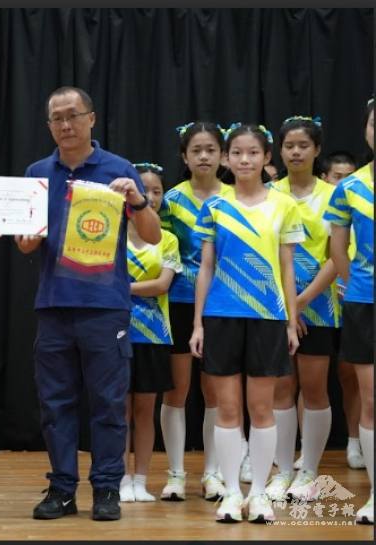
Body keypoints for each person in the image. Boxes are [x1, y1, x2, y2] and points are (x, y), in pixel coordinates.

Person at [16, 86, 160, 522]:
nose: (65, 124)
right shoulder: (38, 172)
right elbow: (26, 245)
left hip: (105, 305)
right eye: (56, 118)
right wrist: (26, 238)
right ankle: (61, 489)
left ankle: (107, 489)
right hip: (54, 304)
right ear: (48, 126)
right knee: (56, 403)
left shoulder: (118, 169)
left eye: (73, 115)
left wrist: (136, 200)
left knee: (108, 402)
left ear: (91, 119)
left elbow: (151, 235)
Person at [190, 123, 304, 523]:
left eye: (253, 153)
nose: (244, 160)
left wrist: (291, 321)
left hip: (267, 317)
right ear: (225, 158)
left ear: (266, 158)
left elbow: (288, 267)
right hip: (221, 317)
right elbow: (205, 267)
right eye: (236, 152)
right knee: (227, 409)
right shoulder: (215, 208)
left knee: (262, 409)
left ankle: (258, 494)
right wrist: (198, 324)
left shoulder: (284, 205)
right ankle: (231, 494)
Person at [158, 122, 233, 501]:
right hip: (179, 304)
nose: (204, 156)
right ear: (184, 157)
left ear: (223, 155)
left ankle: (213, 473)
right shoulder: (170, 200)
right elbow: (162, 250)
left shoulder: (237, 198)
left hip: (225, 305)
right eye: (196, 150)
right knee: (177, 390)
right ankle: (175, 474)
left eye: (210, 150)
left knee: (215, 392)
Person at [265, 116, 338, 502]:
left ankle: (308, 470)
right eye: (289, 145)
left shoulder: (334, 196)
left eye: (303, 145)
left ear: (316, 150)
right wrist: (285, 305)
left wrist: (304, 300)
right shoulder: (267, 193)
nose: (295, 151)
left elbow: (337, 256)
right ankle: (281, 470)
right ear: (279, 150)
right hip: (274, 306)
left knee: (313, 389)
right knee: (280, 387)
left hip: (319, 307)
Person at [324, 98, 373, 525]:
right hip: (364, 302)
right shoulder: (350, 187)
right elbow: (337, 245)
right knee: (371, 399)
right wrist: (349, 283)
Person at [120, 163, 180, 504]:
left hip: (154, 336)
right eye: (145, 191)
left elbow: (161, 285)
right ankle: (119, 477)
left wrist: (121, 288)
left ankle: (140, 479)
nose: (152, 197)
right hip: (116, 334)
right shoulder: (111, 233)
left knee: (144, 411)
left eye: (157, 191)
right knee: (118, 412)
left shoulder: (168, 239)